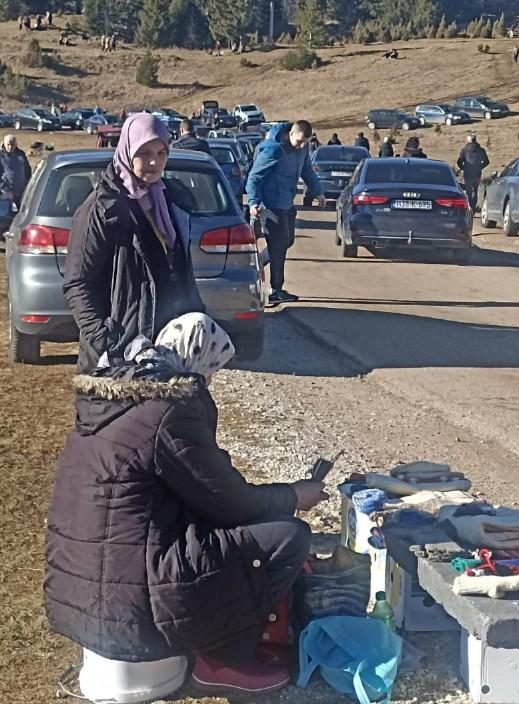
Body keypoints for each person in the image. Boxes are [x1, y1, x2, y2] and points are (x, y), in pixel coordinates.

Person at [44, 312, 329, 695]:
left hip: (81, 595)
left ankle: (208, 643)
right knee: (288, 536)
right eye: (213, 370)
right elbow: (231, 504)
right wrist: (295, 495)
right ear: (199, 361)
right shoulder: (168, 410)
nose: (211, 381)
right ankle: (220, 659)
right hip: (128, 600)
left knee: (225, 534)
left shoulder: (112, 401)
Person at [63, 113, 206, 374]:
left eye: (162, 153)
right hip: (118, 358)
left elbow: (179, 272)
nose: (154, 162)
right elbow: (77, 284)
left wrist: (196, 325)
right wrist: (108, 342)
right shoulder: (102, 208)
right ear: (127, 150)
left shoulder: (169, 202)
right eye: (144, 152)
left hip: (164, 349)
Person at [245, 120, 323, 306]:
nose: (302, 145)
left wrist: (318, 191)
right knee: (278, 246)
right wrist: (254, 202)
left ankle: (255, 265)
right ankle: (275, 289)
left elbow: (307, 171)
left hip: (287, 203)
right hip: (270, 205)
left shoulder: (302, 150)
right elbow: (254, 177)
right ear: (291, 134)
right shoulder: (273, 150)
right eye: (300, 141)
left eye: (306, 142)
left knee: (287, 241)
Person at [456, 134, 490, 212]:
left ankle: (470, 207)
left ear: (468, 140)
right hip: (477, 173)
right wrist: (480, 167)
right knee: (475, 190)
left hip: (467, 173)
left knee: (468, 192)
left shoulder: (464, 150)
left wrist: (463, 168)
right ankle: (473, 207)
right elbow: (487, 161)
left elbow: (459, 161)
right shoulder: (481, 150)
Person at [0, 134, 32, 214]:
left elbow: (27, 170)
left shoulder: (21, 154)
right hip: (6, 193)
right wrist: (5, 189)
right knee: (6, 216)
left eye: (12, 145)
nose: (10, 147)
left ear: (16, 144)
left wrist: (29, 185)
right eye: (8, 145)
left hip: (21, 192)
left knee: (21, 214)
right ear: (4, 143)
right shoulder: (1, 156)